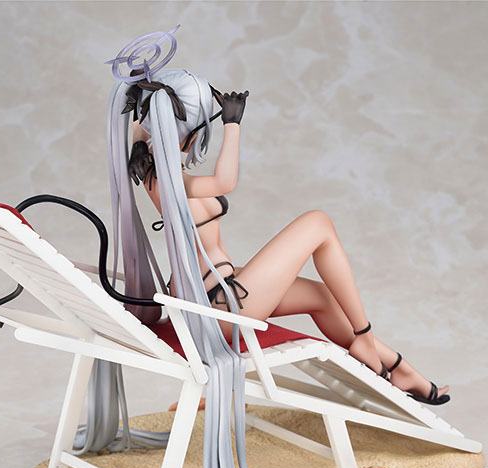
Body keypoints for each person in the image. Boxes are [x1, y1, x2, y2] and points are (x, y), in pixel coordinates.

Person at [126, 75, 450, 408]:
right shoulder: (170, 180)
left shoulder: (150, 167)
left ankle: (400, 368)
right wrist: (233, 125)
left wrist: (142, 103)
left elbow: (141, 127)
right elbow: (225, 181)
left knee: (322, 296)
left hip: (211, 295)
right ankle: (364, 338)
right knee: (317, 223)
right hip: (218, 308)